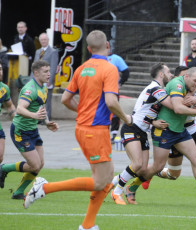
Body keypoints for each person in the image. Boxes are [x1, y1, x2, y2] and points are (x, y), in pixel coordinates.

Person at [22, 30, 132, 230]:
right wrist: (126, 118)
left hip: (83, 128)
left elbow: (65, 100)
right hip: (95, 130)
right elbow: (111, 101)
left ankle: (88, 225)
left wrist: (82, 110)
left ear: (89, 49)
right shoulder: (110, 69)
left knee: (106, 179)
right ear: (107, 45)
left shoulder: (81, 69)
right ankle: (44, 188)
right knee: (101, 181)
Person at [122, 67, 196, 206]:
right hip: (165, 129)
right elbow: (178, 108)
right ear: (187, 76)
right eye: (195, 81)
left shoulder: (193, 85)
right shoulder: (177, 84)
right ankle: (131, 187)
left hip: (180, 130)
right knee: (158, 167)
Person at [109, 62, 173, 205]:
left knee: (142, 170)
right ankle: (117, 191)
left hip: (142, 131)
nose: (171, 75)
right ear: (161, 74)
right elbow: (173, 106)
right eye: (168, 72)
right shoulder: (156, 89)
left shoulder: (156, 89)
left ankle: (111, 183)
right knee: (137, 164)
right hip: (132, 127)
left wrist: (154, 121)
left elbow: (145, 111)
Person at [0, 60, 59, 200]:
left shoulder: (43, 88)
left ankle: (18, 192)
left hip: (32, 130)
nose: (49, 74)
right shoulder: (30, 89)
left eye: (49, 71)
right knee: (34, 165)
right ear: (36, 73)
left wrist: (46, 122)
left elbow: (40, 109)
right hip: (20, 131)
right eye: (45, 71)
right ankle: (4, 168)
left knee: (40, 164)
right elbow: (20, 108)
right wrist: (35, 116)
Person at [32, 33, 59, 121]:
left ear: (48, 40)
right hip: (37, 80)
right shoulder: (37, 52)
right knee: (38, 100)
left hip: (47, 80)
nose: (43, 41)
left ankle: (46, 119)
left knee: (46, 100)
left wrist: (49, 80)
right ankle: (39, 118)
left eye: (45, 40)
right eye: (42, 40)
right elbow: (34, 66)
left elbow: (54, 67)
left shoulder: (53, 52)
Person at [107, 49, 130, 144]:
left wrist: (120, 83)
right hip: (99, 90)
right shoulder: (98, 60)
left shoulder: (115, 58)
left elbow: (126, 72)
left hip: (112, 90)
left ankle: (113, 134)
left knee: (114, 110)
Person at [0, 62, 16, 163]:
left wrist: (17, 122)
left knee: (0, 157)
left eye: (1, 69)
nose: (0, 72)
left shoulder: (4, 88)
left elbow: (10, 106)